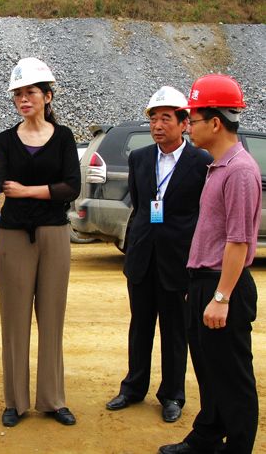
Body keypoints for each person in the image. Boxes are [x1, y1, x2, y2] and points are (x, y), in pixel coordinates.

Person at [0, 57, 80, 427]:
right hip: (13, 237)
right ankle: (15, 401)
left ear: (47, 96)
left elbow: (72, 187)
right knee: (14, 320)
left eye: (30, 92)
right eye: (18, 94)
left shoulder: (64, 137)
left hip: (54, 234)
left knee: (52, 317)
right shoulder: (5, 140)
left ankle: (53, 399)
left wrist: (28, 191)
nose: (23, 99)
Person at [159, 75, 261, 454]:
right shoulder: (219, 166)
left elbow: (238, 241)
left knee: (233, 378)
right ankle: (206, 438)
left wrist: (221, 296)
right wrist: (199, 285)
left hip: (225, 285)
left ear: (215, 122)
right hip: (206, 281)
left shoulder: (240, 171)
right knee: (209, 371)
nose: (189, 126)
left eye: (194, 119)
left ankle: (238, 447)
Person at [106, 86, 212, 423]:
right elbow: (140, 206)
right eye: (153, 118)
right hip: (142, 256)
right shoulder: (139, 158)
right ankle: (133, 388)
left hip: (178, 259)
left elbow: (202, 214)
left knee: (174, 330)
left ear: (184, 123)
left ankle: (172, 395)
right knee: (140, 326)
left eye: (166, 118)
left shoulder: (201, 162)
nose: (157, 125)